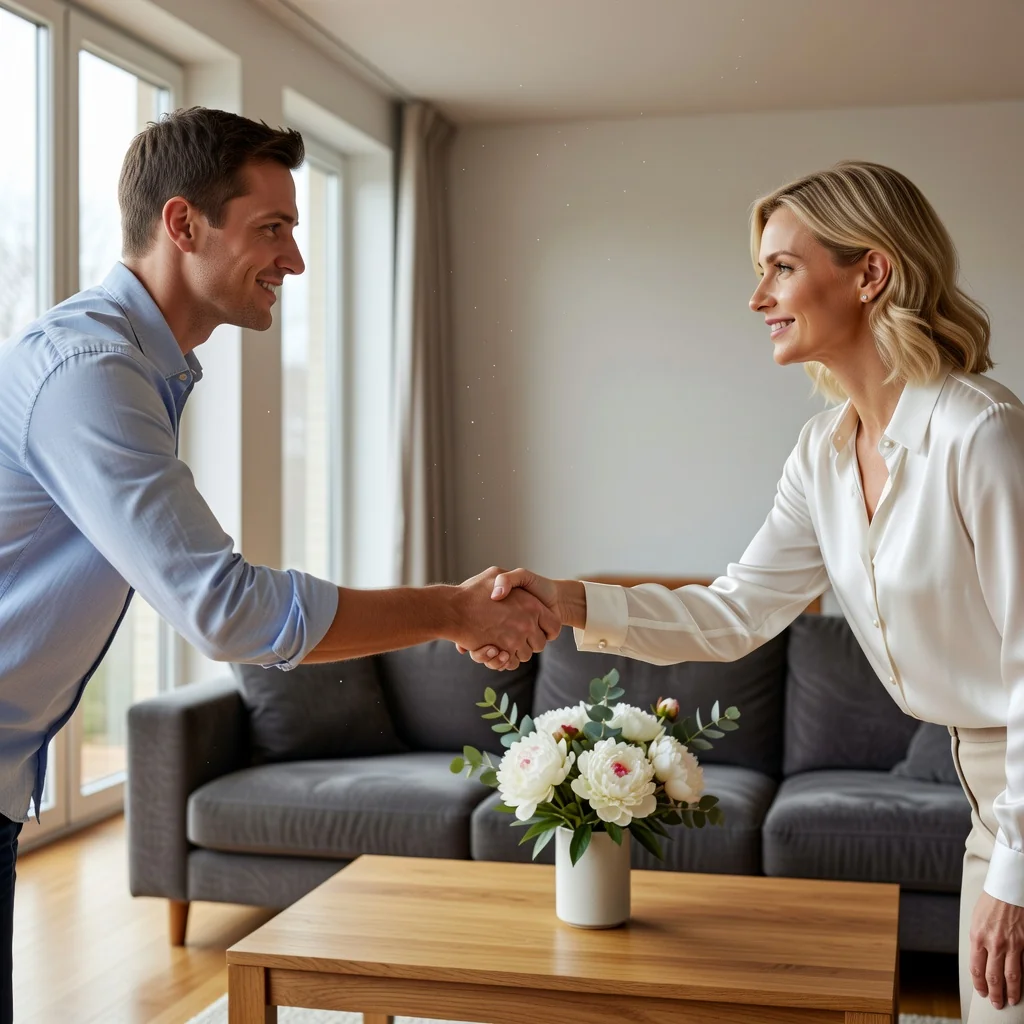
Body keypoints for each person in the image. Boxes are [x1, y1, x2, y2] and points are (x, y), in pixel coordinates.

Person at [0, 105, 557, 1024]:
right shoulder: (91, 371)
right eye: (273, 228)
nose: (294, 260)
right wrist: (455, 612)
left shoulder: (138, 368)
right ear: (183, 224)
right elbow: (225, 610)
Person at [463, 160, 1023, 1021]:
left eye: (782, 267)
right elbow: (733, 614)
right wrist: (569, 599)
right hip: (991, 806)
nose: (758, 297)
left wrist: (1016, 873)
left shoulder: (980, 435)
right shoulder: (823, 453)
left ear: (871, 272)